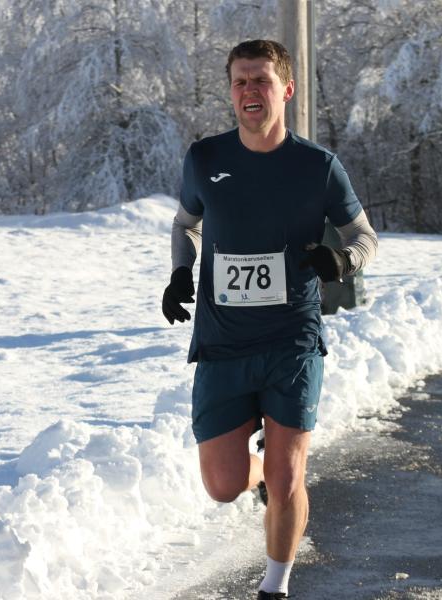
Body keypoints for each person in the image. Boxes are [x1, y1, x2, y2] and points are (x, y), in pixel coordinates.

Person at [161, 39, 378, 600]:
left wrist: (342, 260)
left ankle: (274, 587)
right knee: (223, 484)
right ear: (230, 92)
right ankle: (257, 477)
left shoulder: (318, 167)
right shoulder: (205, 160)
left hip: (292, 340)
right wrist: (181, 274)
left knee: (287, 478)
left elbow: (363, 237)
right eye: (239, 82)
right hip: (223, 342)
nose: (249, 92)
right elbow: (185, 224)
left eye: (260, 80)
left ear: (286, 88)